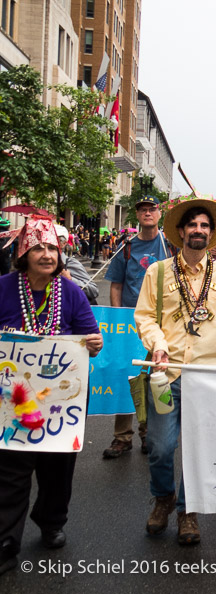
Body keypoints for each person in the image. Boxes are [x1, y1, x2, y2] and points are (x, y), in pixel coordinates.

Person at [134, 197, 216, 545]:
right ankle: (163, 497)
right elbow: (145, 316)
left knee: (196, 450)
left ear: (212, 235)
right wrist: (158, 343)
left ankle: (187, 510)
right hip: (167, 375)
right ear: (180, 232)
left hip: (207, 379)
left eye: (204, 226)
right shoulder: (158, 271)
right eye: (192, 225)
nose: (198, 230)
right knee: (161, 447)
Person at [0, 216, 103, 575]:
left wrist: (94, 343)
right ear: (23, 253)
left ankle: (51, 521)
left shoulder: (71, 292)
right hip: (12, 402)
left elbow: (91, 339)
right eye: (38, 247)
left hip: (62, 401)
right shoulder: (3, 288)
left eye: (52, 248)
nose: (46, 255)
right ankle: (5, 543)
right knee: (11, 473)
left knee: (57, 469)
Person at [102, 197, 172, 459]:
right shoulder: (126, 248)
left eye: (152, 209)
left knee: (155, 376)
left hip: (161, 323)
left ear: (159, 213)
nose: (147, 213)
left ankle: (147, 433)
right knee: (127, 375)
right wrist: (117, 319)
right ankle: (122, 437)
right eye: (142, 209)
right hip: (131, 322)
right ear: (137, 215)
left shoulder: (169, 245)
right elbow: (116, 285)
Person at [55, 225, 99, 304]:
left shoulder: (70, 264)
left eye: (54, 240)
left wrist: (70, 280)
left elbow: (93, 290)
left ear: (63, 243)